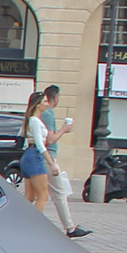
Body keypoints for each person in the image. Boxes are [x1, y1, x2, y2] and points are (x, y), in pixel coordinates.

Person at [36, 84, 91, 238]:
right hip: (47, 157)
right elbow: (50, 140)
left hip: (39, 156)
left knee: (34, 193)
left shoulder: (39, 113)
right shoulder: (48, 114)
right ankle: (70, 228)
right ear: (55, 98)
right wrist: (64, 130)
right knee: (59, 192)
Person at [17, 91, 53, 214]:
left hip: (27, 155)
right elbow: (40, 145)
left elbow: (22, 139)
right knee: (43, 196)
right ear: (38, 104)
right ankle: (35, 225)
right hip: (35, 156)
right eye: (45, 102)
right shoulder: (35, 121)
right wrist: (51, 163)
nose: (47, 104)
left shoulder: (29, 120)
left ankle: (20, 220)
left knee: (29, 196)